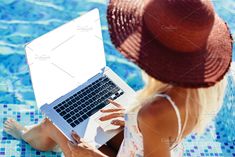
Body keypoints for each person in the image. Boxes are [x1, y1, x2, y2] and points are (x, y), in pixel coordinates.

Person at [3, 0, 233, 156]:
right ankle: (45, 135)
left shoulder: (155, 112)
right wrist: (132, 120)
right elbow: (163, 135)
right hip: (137, 146)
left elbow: (159, 124)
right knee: (66, 120)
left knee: (53, 123)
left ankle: (29, 136)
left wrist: (91, 155)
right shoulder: (200, 89)